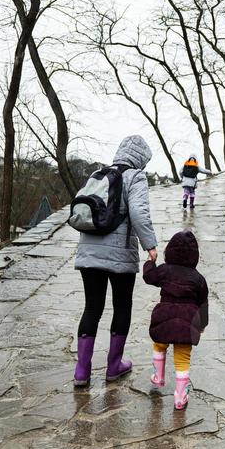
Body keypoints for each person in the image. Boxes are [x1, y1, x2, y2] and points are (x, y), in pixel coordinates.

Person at [73, 135, 159, 387]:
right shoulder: (136, 177)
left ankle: (81, 371)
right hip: (120, 254)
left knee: (92, 308)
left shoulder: (97, 174)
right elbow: (139, 212)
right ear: (141, 159)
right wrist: (150, 245)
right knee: (122, 306)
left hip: (89, 252)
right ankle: (113, 366)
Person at [145, 229, 208, 410]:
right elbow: (203, 303)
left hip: (164, 317)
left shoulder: (165, 271)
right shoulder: (198, 278)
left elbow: (149, 277)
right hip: (187, 324)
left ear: (170, 250)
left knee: (159, 345)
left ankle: (158, 377)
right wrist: (202, 324)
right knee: (182, 358)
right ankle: (180, 397)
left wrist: (151, 262)